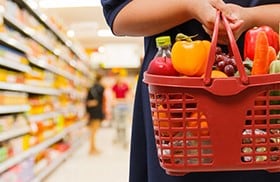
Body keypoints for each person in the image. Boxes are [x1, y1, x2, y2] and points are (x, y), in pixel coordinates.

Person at [101, 1, 280, 182]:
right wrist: (189, 7)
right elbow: (118, 14)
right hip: (174, 99)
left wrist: (251, 16)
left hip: (267, 93)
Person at [86, 73, 105, 155]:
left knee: (93, 131)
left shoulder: (91, 88)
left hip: (91, 111)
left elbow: (87, 101)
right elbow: (100, 100)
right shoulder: (100, 88)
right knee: (94, 131)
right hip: (97, 112)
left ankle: (93, 148)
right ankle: (92, 149)